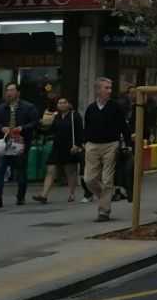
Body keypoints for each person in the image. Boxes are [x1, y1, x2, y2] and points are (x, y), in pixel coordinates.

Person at [0, 83, 40, 208]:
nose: (9, 93)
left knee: (20, 171)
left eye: (12, 90)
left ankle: (20, 197)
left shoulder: (28, 107)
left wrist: (22, 128)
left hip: (20, 143)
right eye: (7, 91)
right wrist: (2, 128)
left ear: (18, 93)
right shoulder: (1, 108)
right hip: (4, 143)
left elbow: (35, 123)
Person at [83, 78, 128, 222]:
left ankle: (104, 211)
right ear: (98, 90)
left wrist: (128, 143)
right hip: (92, 145)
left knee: (107, 179)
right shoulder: (90, 108)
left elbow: (123, 126)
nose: (109, 91)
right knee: (89, 179)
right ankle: (107, 195)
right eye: (106, 88)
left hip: (110, 145)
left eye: (110, 88)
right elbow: (87, 127)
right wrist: (84, 143)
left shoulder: (115, 107)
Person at [33, 97, 83, 204]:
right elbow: (51, 130)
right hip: (57, 146)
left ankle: (72, 194)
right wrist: (40, 127)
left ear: (69, 104)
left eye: (64, 102)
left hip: (70, 146)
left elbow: (79, 132)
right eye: (59, 103)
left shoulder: (75, 116)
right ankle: (44, 195)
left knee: (70, 171)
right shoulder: (57, 117)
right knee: (50, 170)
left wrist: (78, 145)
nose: (61, 105)